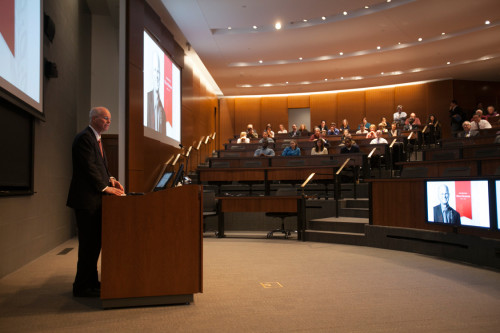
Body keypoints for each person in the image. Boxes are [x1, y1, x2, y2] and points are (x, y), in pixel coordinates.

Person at [67, 107, 125, 297]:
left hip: (94, 200)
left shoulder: (96, 138)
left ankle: (91, 282)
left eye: (110, 119)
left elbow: (100, 167)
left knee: (94, 245)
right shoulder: (85, 138)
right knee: (88, 245)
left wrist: (111, 179)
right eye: (105, 119)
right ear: (94, 118)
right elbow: (88, 167)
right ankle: (82, 286)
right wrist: (104, 188)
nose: (109, 122)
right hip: (86, 200)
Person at [146, 53, 165, 134]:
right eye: (155, 71)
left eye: (158, 72)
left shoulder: (162, 108)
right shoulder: (146, 98)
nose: (157, 76)